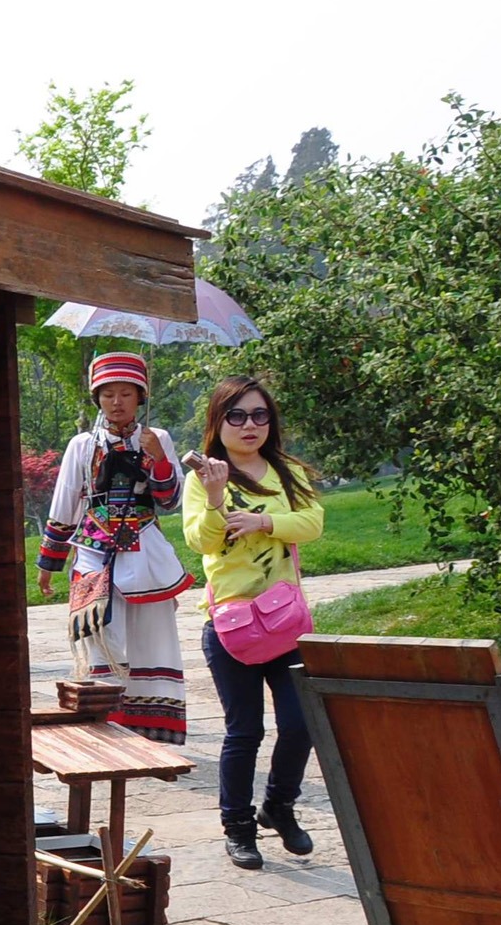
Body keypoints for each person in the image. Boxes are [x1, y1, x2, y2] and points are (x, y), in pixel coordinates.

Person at [183, 375, 324, 870]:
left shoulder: (285, 471)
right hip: (232, 629)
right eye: (237, 416)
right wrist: (221, 501)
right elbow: (201, 541)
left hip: (286, 625)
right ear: (218, 422)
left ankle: (279, 808)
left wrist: (265, 522)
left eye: (259, 415)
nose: (249, 425)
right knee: (244, 731)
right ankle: (238, 829)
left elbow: (313, 522)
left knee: (301, 723)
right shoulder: (202, 478)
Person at [37, 351, 195, 742]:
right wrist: (49, 562)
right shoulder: (81, 446)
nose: (117, 402)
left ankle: (155, 728)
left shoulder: (157, 439)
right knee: (99, 638)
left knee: (153, 636)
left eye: (126, 393)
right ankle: (107, 727)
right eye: (108, 394)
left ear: (140, 397)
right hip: (93, 554)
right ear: (98, 399)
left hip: (145, 551)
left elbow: (171, 499)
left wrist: (157, 458)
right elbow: (66, 504)